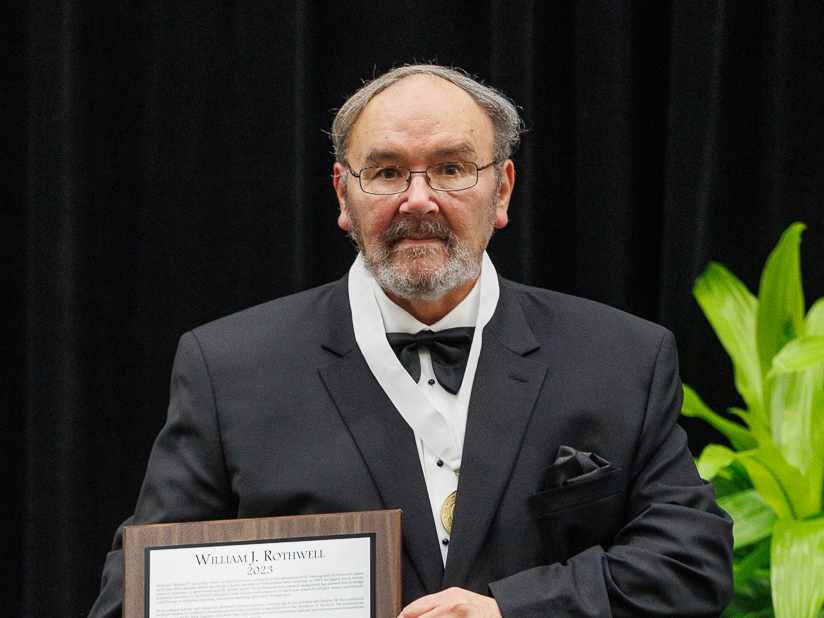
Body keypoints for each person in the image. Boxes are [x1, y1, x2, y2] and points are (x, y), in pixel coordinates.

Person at [89, 64, 733, 618]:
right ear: (344, 194)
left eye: (452, 169)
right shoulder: (228, 368)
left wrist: (515, 609)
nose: (417, 200)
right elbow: (137, 596)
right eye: (388, 172)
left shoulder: (622, 357)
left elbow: (689, 563)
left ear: (501, 189)